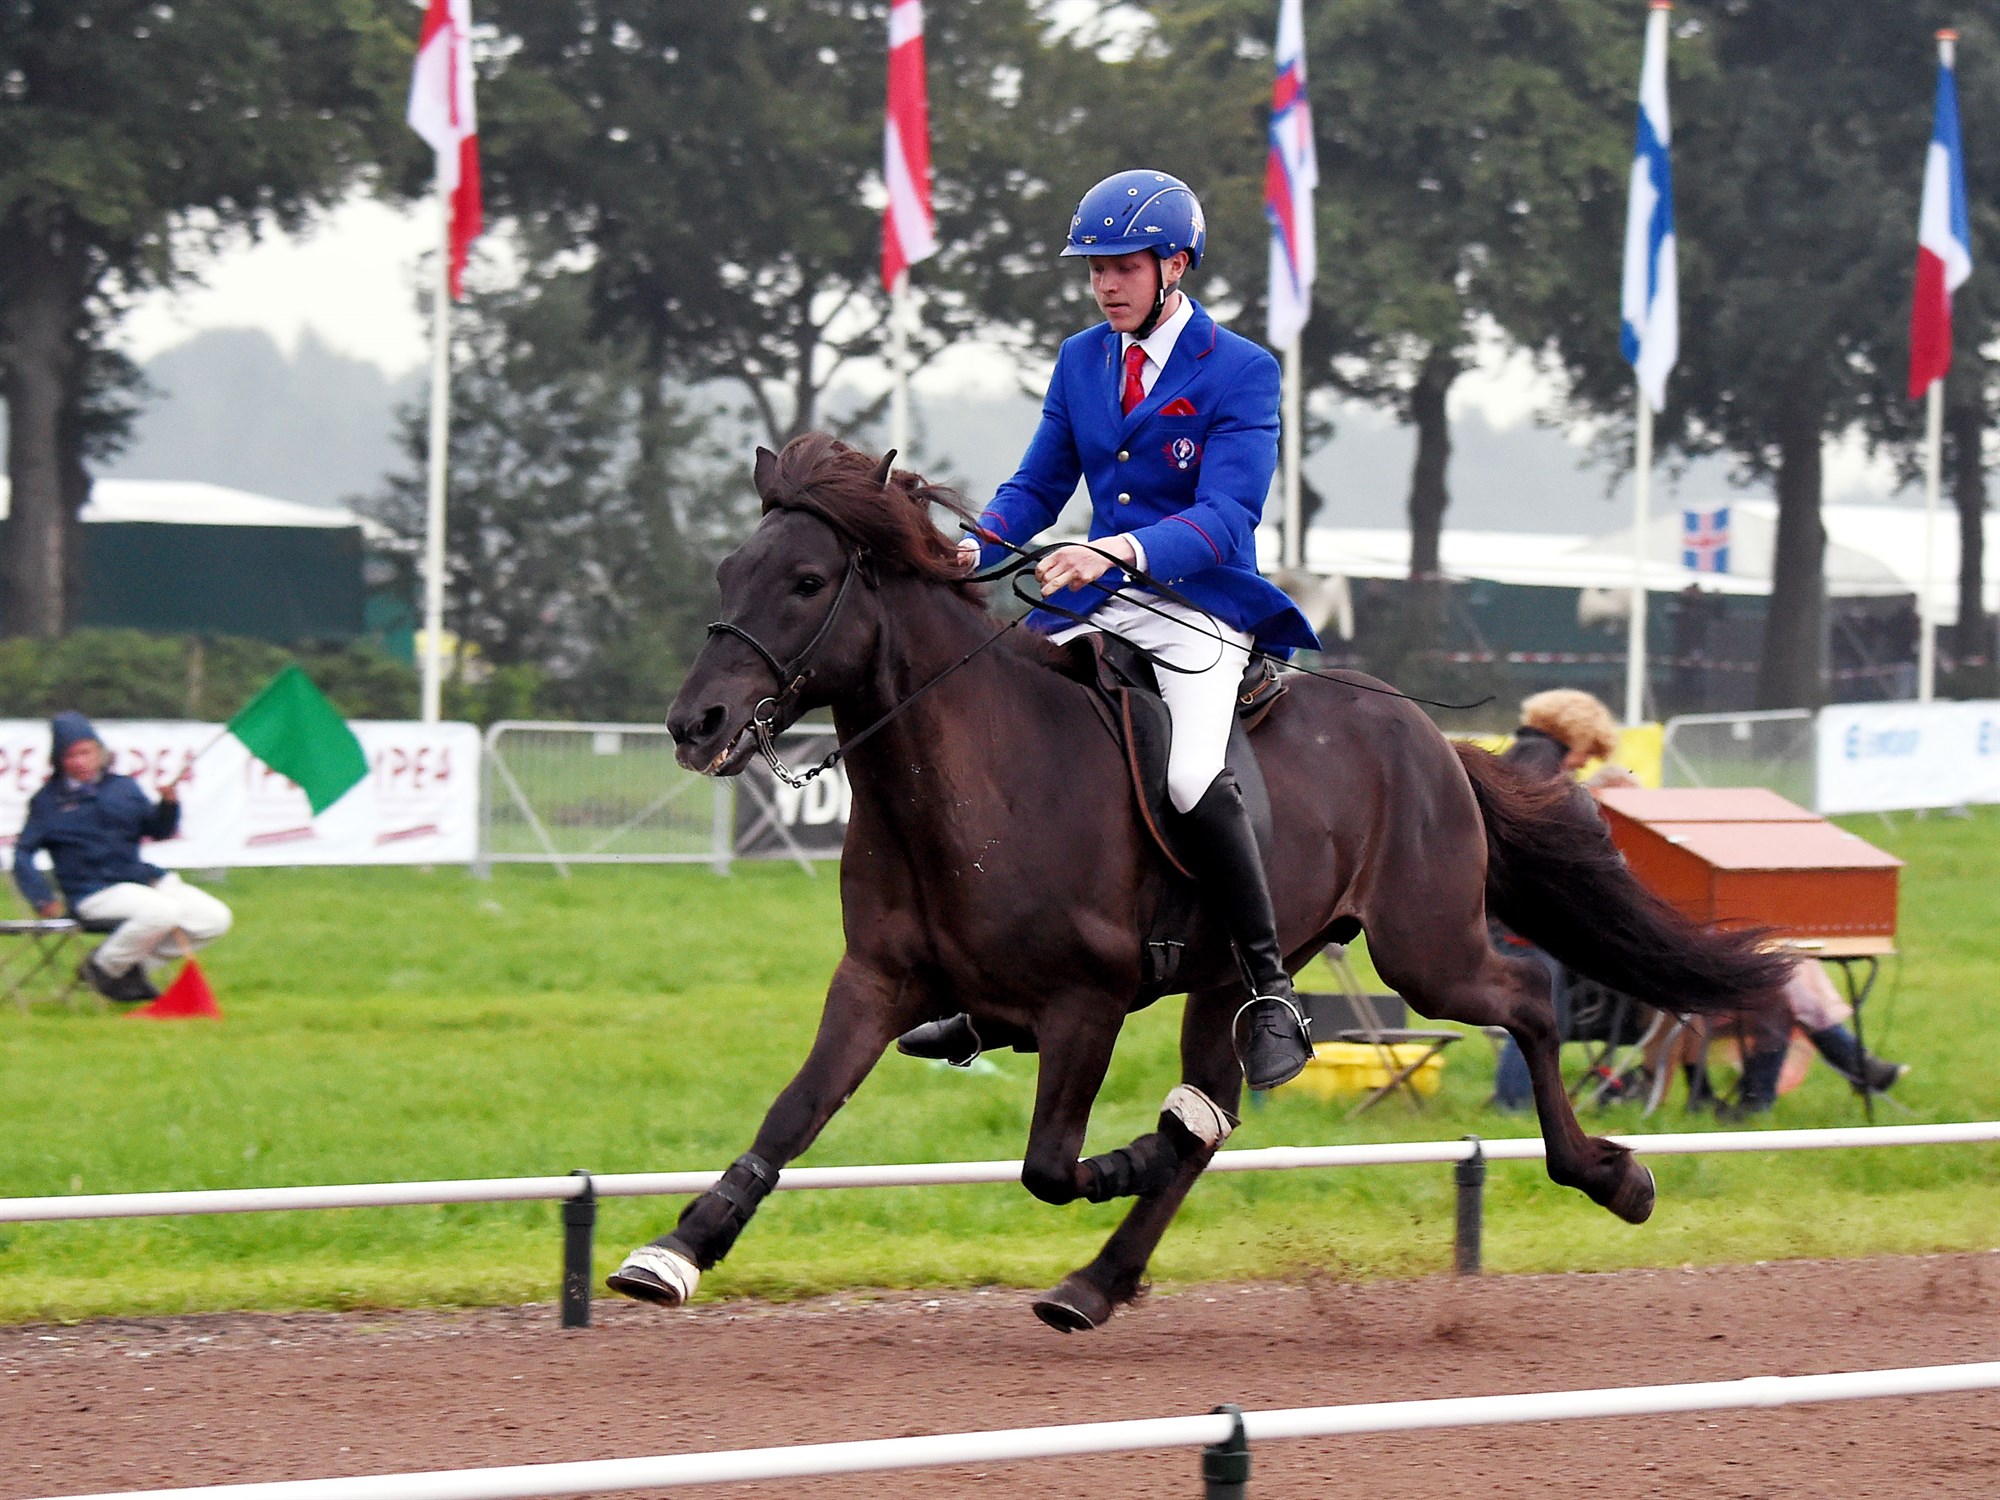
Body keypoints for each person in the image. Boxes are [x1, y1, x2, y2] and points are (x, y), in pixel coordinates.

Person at [896, 168, 1322, 1091]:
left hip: (1200, 608)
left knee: (1189, 771)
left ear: (1174, 265)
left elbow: (1227, 515)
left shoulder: (1243, 369)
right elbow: (1036, 485)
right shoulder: (1082, 358)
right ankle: (991, 985)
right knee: (1002, 730)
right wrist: (971, 550)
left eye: (1120, 267)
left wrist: (1116, 550)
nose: (1103, 286)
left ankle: (1269, 987)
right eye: (1093, 270)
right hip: (1094, 600)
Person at [12, 712, 232, 1002]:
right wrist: (41, 897)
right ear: (58, 760)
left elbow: (157, 830)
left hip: (140, 880)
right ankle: (103, 968)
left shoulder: (123, 788)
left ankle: (130, 968)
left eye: (85, 752)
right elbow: (23, 853)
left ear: (99, 752)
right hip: (91, 892)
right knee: (162, 912)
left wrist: (168, 805)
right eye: (70, 755)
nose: (79, 761)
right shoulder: (47, 801)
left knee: (214, 919)